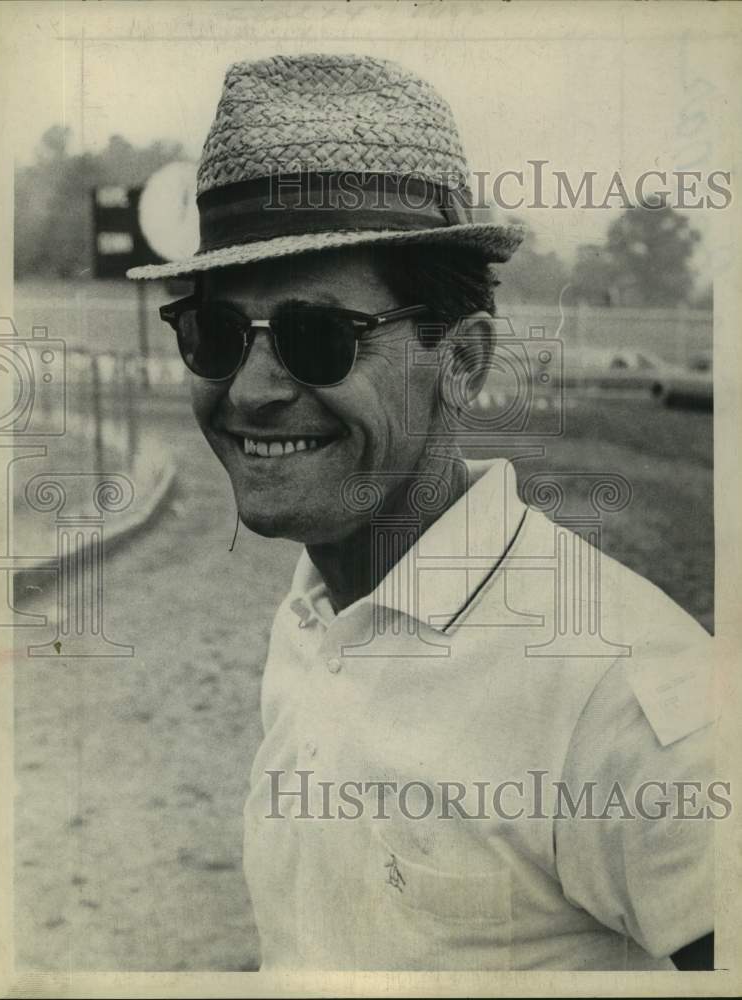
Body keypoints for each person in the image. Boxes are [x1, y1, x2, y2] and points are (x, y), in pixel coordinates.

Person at [129, 53, 716, 972]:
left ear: (465, 360)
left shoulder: (620, 686)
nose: (250, 390)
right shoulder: (314, 617)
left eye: (315, 337)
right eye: (215, 335)